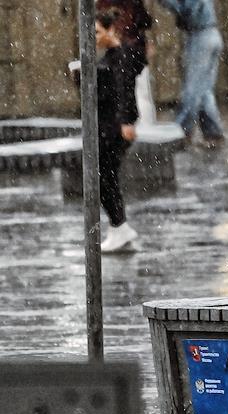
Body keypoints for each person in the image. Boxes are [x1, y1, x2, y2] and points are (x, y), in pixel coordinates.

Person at [93, 8, 140, 253]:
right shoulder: (108, 56)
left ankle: (119, 226)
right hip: (106, 126)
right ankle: (118, 226)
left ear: (111, 29)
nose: (95, 36)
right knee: (105, 178)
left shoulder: (120, 55)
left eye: (98, 31)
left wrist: (126, 122)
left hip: (113, 127)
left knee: (106, 177)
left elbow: (124, 92)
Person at [157, 0, 225, 147]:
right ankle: (213, 132)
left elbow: (188, 11)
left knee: (192, 89)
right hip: (211, 34)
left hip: (201, 37)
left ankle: (180, 131)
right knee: (204, 90)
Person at [95, 0, 155, 124]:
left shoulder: (123, 52)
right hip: (130, 49)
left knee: (137, 94)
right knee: (137, 94)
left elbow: (144, 21)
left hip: (130, 49)